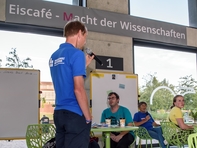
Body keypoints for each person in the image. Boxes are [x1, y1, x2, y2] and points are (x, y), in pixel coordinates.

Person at [49, 20, 94, 148]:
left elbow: (65, 79)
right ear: (80, 33)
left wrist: (83, 65)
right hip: (74, 114)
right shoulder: (77, 54)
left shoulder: (54, 56)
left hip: (59, 114)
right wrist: (88, 117)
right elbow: (78, 89)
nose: (84, 42)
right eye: (85, 37)